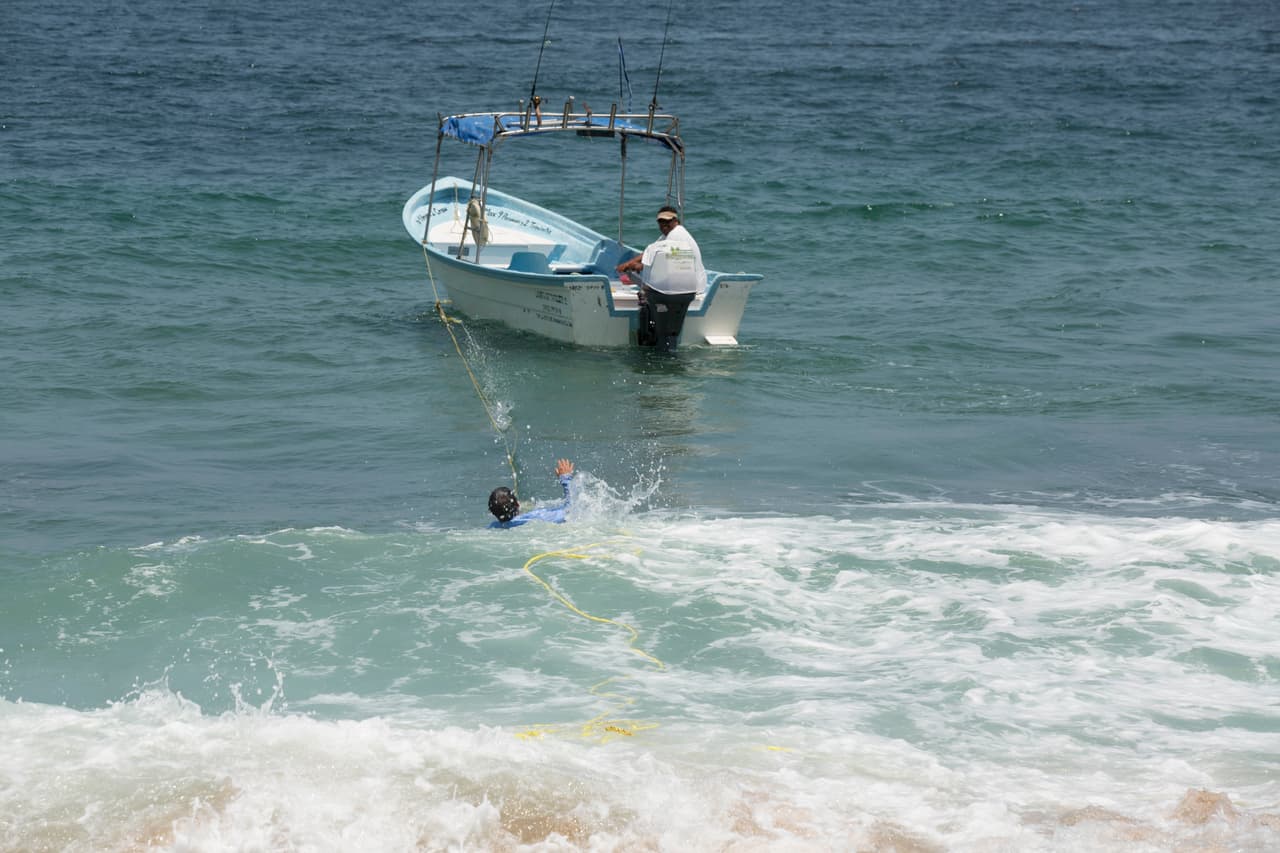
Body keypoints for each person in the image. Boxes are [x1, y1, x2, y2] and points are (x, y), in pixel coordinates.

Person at [616, 206, 708, 351]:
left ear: (676, 221)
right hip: (689, 285)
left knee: (648, 292)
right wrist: (630, 263)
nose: (663, 225)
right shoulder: (669, 234)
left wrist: (635, 266)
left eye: (667, 222)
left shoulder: (676, 236)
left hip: (682, 286)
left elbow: (656, 258)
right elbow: (650, 251)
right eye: (660, 222)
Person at [488, 459, 575, 528]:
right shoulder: (536, 518)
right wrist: (565, 479)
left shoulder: (493, 527)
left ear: (493, 512)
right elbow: (571, 509)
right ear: (518, 504)